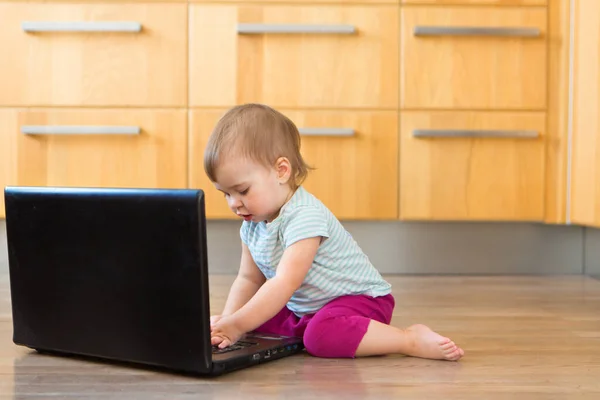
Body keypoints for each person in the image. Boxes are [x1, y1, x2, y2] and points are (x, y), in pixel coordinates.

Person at [203, 103, 464, 361]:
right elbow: (249, 279)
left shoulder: (305, 216)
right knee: (254, 319)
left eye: (243, 190)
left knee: (318, 337)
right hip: (308, 308)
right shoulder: (252, 224)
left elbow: (284, 282)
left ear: (281, 171)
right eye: (226, 193)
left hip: (360, 303)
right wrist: (229, 320)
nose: (234, 203)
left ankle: (409, 339)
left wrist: (237, 324)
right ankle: (303, 328)